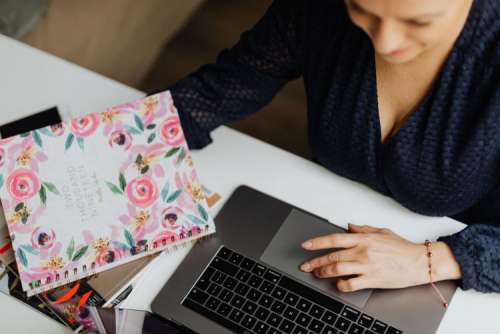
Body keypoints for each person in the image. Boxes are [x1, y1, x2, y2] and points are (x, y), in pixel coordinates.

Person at [168, 0, 500, 294]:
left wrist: (432, 261)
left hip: (449, 269)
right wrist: (132, 147)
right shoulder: (318, 7)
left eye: (419, 21)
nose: (386, 43)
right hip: (316, 228)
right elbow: (214, 94)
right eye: (362, 9)